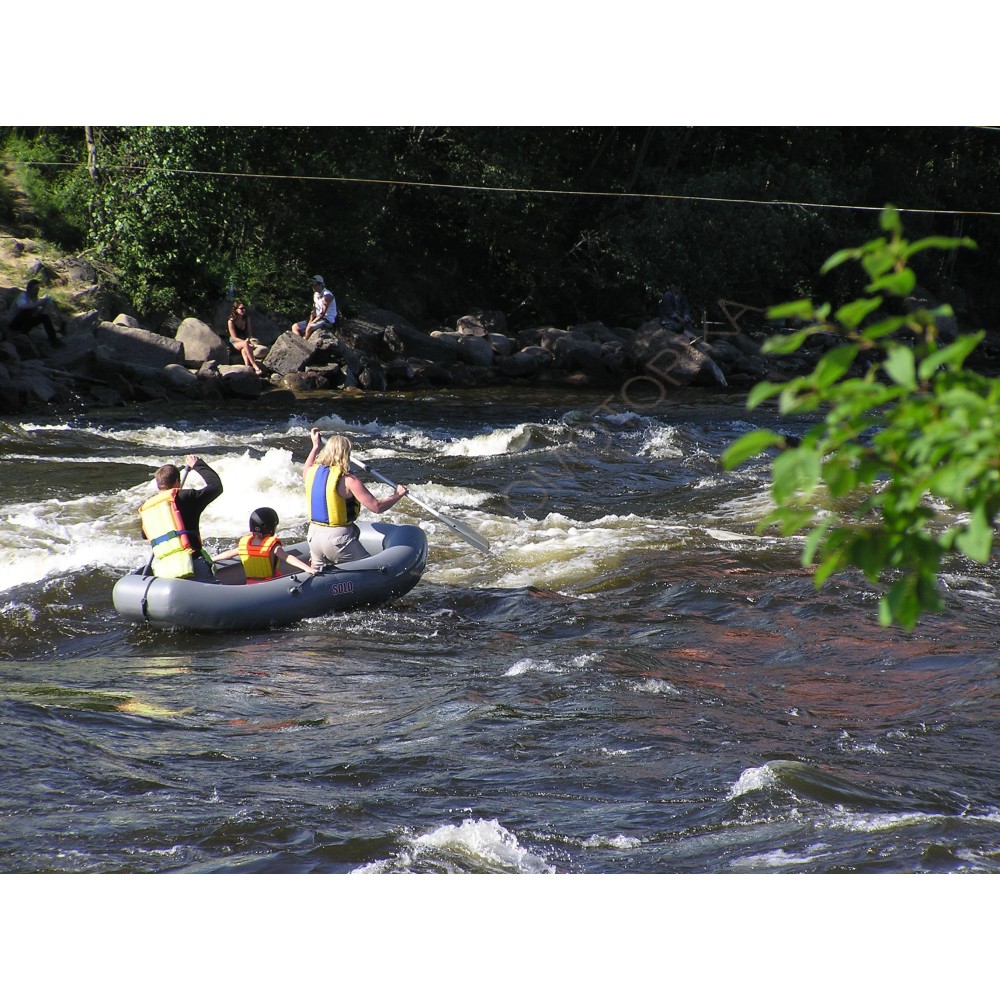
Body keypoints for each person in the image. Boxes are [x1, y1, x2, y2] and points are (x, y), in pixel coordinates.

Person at [302, 428, 407, 569]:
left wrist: (315, 446)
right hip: (338, 540)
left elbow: (307, 466)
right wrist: (397, 494)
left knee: (318, 576)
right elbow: (376, 507)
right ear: (346, 454)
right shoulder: (349, 480)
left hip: (313, 536)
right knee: (372, 571)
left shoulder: (310, 473)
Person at [138, 455, 223, 580]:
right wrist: (197, 464)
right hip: (192, 563)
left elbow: (145, 535)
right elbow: (216, 486)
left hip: (165, 569)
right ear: (177, 482)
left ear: (158, 485)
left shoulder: (148, 507)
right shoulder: (185, 497)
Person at [214, 507, 315, 583]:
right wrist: (307, 568)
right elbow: (288, 557)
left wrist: (212, 559)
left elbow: (228, 554)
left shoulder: (245, 545)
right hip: (271, 584)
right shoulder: (272, 546)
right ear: (271, 527)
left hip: (250, 584)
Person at [9, 280, 64, 346]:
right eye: (35, 289)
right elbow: (23, 306)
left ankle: (53, 339)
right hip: (15, 322)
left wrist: (44, 305)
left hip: (26, 323)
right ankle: (23, 333)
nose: (37, 291)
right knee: (27, 311)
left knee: (44, 317)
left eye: (38, 289)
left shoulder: (35, 299)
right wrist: (38, 303)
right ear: (30, 288)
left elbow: (36, 313)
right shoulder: (23, 295)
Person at [292, 275, 337, 340]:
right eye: (311, 285)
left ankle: (304, 342)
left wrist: (311, 323)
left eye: (314, 285)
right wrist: (310, 320)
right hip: (318, 318)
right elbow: (313, 310)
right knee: (295, 326)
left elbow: (322, 314)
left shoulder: (327, 296)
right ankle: (299, 342)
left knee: (309, 327)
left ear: (320, 284)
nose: (312, 287)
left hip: (327, 319)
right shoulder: (316, 294)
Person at [227, 299, 264, 375]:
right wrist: (245, 342)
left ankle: (247, 367)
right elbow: (234, 338)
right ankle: (255, 366)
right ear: (236, 309)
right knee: (245, 344)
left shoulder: (247, 319)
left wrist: (250, 340)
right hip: (234, 344)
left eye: (244, 308)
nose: (243, 310)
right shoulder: (231, 321)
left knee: (244, 349)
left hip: (244, 342)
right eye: (241, 308)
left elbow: (249, 334)